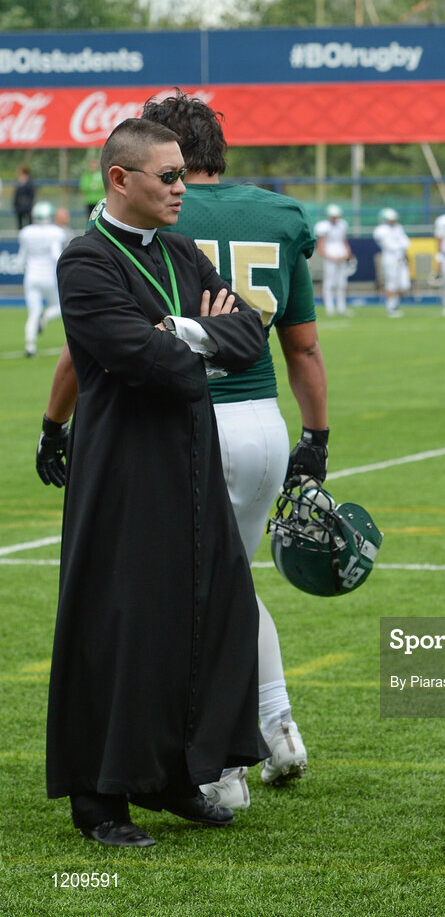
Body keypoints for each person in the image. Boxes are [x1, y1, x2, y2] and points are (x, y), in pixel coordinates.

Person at [37, 91, 328, 810]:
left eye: (180, 175)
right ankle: (99, 798)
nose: (179, 189)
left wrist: (178, 331)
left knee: (206, 612)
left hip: (193, 457)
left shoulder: (181, 248)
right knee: (124, 621)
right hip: (125, 468)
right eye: (166, 177)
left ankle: (173, 776)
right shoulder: (85, 259)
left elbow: (247, 335)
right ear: (119, 179)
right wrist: (191, 334)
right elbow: (139, 358)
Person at [20, 201, 66, 357]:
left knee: (33, 312)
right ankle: (45, 316)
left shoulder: (26, 232)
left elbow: (22, 258)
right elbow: (56, 255)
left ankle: (30, 346)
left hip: (31, 276)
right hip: (49, 277)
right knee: (59, 307)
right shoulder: (56, 232)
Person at [314, 204, 353, 316]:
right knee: (329, 283)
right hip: (330, 258)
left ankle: (342, 308)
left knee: (341, 283)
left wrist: (347, 254)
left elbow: (344, 242)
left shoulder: (342, 225)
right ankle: (330, 308)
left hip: (341, 256)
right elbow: (320, 247)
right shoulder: (323, 227)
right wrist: (333, 257)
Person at [373, 207, 411, 317]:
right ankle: (391, 307)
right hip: (390, 259)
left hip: (401, 258)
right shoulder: (380, 230)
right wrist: (399, 245)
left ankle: (395, 304)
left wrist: (399, 245)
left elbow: (406, 243)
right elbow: (389, 246)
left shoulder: (398, 228)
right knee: (391, 283)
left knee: (404, 284)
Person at [14, 165, 36, 229]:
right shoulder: (19, 182)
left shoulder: (30, 182)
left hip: (27, 207)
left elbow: (31, 195)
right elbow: (16, 195)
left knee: (30, 224)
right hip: (19, 207)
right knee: (20, 225)